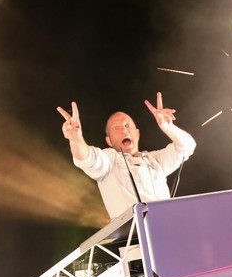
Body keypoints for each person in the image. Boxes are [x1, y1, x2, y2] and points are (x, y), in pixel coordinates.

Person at [58, 92, 196, 219]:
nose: (124, 130)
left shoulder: (155, 160)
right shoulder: (110, 161)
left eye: (128, 125)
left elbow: (187, 146)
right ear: (109, 141)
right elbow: (87, 159)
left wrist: (168, 127)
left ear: (137, 133)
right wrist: (75, 139)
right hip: (135, 236)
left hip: (172, 229)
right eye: (116, 128)